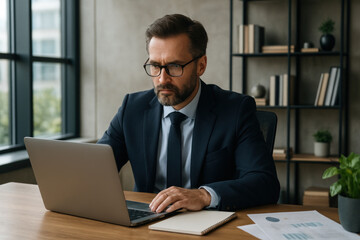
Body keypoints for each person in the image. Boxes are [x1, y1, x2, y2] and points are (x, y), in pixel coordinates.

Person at [98, 14, 280, 213]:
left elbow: (265, 183)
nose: (162, 79)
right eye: (155, 66)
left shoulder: (236, 110)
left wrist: (203, 195)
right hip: (146, 221)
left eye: (174, 66)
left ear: (201, 65)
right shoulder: (132, 108)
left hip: (208, 222)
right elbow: (95, 168)